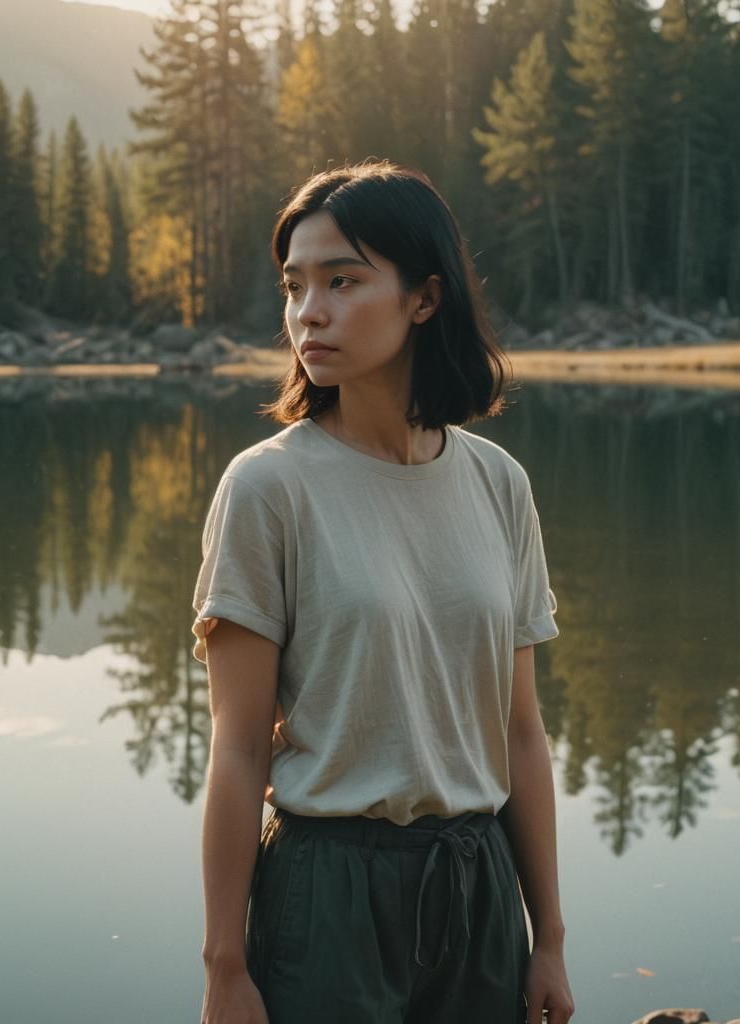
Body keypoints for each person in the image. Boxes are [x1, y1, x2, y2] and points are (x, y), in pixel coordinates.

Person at [192, 159, 575, 1024]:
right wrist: (224, 967)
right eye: (294, 287)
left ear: (425, 299)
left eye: (342, 281)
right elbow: (238, 750)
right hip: (327, 892)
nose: (309, 313)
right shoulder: (268, 488)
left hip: (478, 887)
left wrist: (546, 937)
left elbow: (520, 732)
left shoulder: (498, 483)